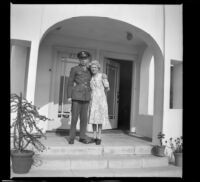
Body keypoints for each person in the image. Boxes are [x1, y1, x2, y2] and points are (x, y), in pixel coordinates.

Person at [67, 51, 94, 144]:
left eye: (85, 59)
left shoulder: (90, 69)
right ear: (79, 59)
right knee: (74, 117)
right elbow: (70, 82)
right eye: (81, 59)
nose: (83, 60)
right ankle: (71, 137)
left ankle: (82, 136)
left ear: (88, 59)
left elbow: (98, 72)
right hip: (76, 95)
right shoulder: (74, 69)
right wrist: (69, 96)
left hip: (86, 96)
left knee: (84, 118)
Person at [88, 60, 110, 145]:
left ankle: (99, 137)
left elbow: (107, 88)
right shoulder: (90, 77)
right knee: (93, 118)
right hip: (93, 99)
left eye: (95, 67)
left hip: (101, 99)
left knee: (100, 118)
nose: (93, 69)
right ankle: (94, 136)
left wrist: (105, 83)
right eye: (92, 67)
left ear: (98, 68)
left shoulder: (102, 76)